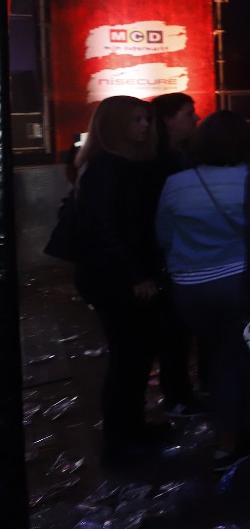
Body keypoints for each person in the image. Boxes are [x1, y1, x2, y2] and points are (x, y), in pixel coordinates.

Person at [155, 109, 250, 469]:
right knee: (239, 359)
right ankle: (232, 440)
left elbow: (164, 236)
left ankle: (228, 430)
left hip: (190, 289)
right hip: (240, 282)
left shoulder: (177, 182)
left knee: (217, 355)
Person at [73, 95, 170, 465]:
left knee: (135, 355)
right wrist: (137, 274)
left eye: (146, 119)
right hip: (115, 277)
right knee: (129, 357)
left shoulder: (113, 165)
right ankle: (120, 440)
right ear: (114, 126)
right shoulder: (106, 167)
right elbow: (106, 228)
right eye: (136, 120)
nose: (145, 126)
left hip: (116, 274)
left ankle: (132, 429)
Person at [150, 91, 204, 418]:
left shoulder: (181, 155)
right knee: (173, 331)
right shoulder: (158, 162)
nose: (195, 118)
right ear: (168, 120)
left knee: (180, 331)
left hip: (180, 257)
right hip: (170, 258)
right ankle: (177, 396)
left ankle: (181, 392)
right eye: (188, 113)